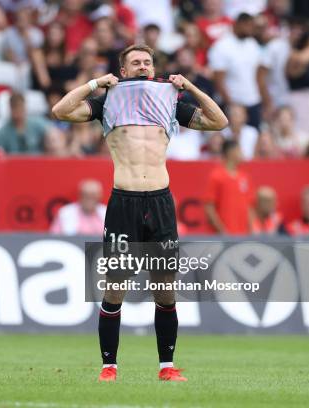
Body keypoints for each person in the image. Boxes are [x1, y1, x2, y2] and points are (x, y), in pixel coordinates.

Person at [52, 43, 228, 382]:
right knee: (115, 287)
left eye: (148, 62)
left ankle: (167, 367)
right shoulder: (108, 102)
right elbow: (60, 111)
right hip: (124, 202)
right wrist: (94, 84)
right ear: (123, 70)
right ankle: (109, 367)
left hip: (160, 202)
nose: (144, 66)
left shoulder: (168, 100)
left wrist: (188, 85)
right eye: (136, 63)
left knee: (165, 288)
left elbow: (219, 121)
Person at [204, 140, 253, 235]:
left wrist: (250, 230)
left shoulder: (244, 177)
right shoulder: (216, 176)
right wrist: (223, 232)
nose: (242, 153)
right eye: (239, 150)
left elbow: (249, 207)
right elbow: (209, 207)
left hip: (243, 235)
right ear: (231, 152)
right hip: (222, 238)